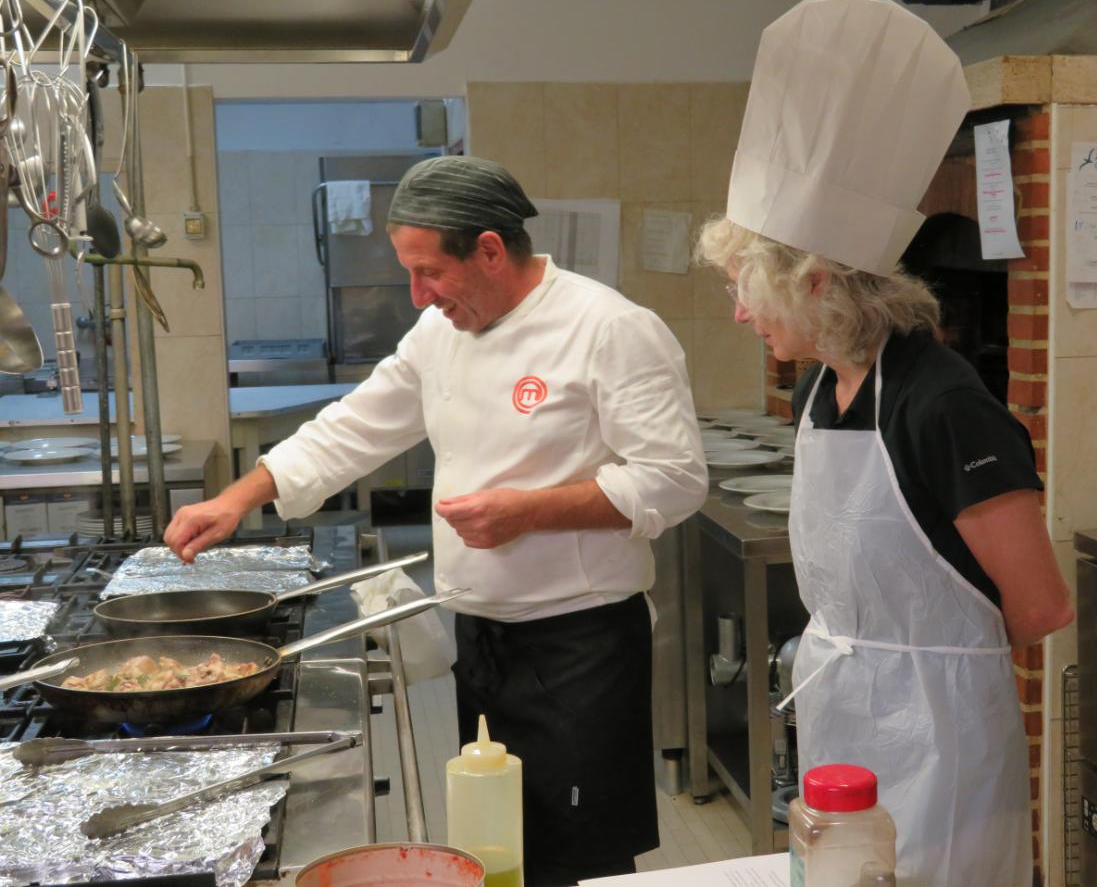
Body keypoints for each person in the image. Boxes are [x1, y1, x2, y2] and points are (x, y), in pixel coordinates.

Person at [165, 155, 708, 885]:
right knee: (498, 842)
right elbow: (356, 425)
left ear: (488, 249)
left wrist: (530, 513)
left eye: (430, 273)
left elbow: (674, 481)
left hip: (580, 647)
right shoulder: (439, 333)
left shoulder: (609, 327)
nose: (419, 295)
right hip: (480, 635)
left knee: (579, 857)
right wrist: (239, 496)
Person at [696, 0, 1073, 886]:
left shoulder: (944, 405)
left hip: (941, 739)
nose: (741, 310)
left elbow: (1042, 607)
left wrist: (934, 662)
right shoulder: (826, 387)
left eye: (748, 286)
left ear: (817, 281)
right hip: (843, 722)